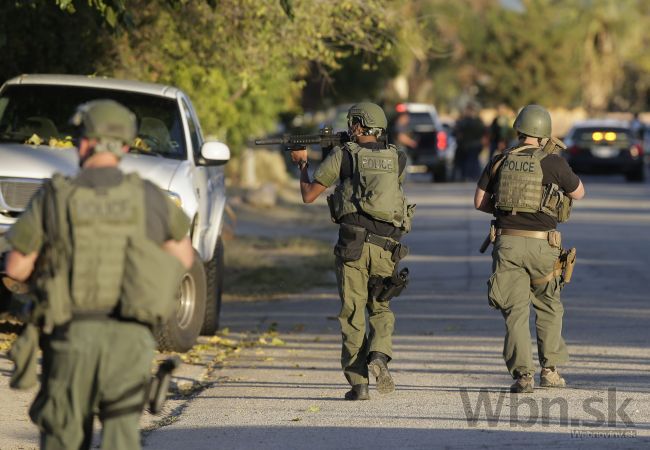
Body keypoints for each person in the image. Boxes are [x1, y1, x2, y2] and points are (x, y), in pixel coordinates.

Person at [4, 100, 194, 449]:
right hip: (130, 340)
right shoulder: (150, 196)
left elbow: (16, 267)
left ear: (87, 142)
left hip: (70, 337)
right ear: (124, 146)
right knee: (121, 438)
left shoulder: (54, 197)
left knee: (63, 437)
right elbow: (184, 257)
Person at [289, 102, 413, 400]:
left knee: (353, 313)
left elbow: (309, 195)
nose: (350, 127)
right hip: (387, 247)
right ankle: (380, 355)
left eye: (353, 123)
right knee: (381, 306)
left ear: (361, 125)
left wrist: (303, 164)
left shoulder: (343, 155)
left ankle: (359, 384)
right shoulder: (398, 157)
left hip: (352, 246)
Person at [474, 104, 585, 393]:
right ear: (544, 132)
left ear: (519, 130)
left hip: (507, 243)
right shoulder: (553, 162)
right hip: (543, 245)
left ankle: (523, 376)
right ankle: (550, 371)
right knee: (548, 305)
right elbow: (579, 193)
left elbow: (479, 202)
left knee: (515, 311)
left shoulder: (500, 160)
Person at [453, 103, 486, 181]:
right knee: (465, 163)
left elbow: (483, 132)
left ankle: (472, 176)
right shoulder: (463, 121)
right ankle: (467, 176)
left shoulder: (476, 122)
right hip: (464, 146)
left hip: (473, 146)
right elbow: (456, 133)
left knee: (473, 162)